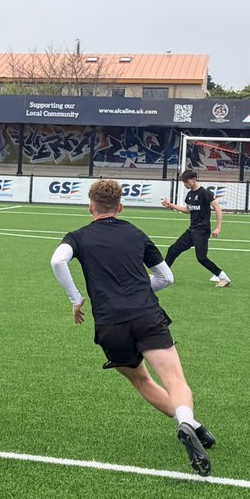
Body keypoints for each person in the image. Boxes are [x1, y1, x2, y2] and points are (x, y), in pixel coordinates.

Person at [51, 179, 215, 476]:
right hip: (146, 315)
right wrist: (140, 287)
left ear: (91, 207)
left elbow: (57, 260)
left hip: (110, 323)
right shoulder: (136, 233)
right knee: (175, 381)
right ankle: (187, 422)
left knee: (142, 381)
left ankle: (193, 426)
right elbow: (166, 278)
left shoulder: (78, 236)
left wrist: (76, 299)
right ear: (121, 207)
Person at [160, 170, 231, 288]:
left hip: (202, 231)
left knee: (202, 258)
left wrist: (218, 228)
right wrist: (171, 205)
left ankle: (223, 277)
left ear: (194, 179)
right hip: (192, 230)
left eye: (186, 182)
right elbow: (188, 210)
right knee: (173, 250)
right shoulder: (190, 195)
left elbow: (217, 208)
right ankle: (163, 276)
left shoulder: (205, 193)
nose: (185, 185)